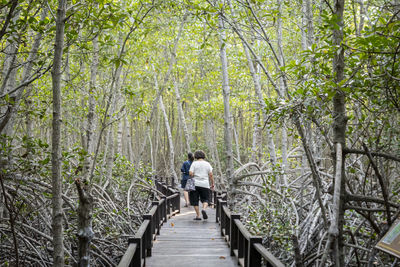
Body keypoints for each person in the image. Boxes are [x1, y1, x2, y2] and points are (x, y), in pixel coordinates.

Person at [189, 150, 214, 220]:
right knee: (206, 199)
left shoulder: (194, 163)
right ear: (203, 155)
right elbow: (211, 175)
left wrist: (195, 175)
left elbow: (190, 173)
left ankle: (198, 215)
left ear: (196, 156)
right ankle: (204, 209)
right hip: (205, 184)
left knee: (195, 200)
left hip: (195, 184)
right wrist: (212, 184)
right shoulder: (207, 164)